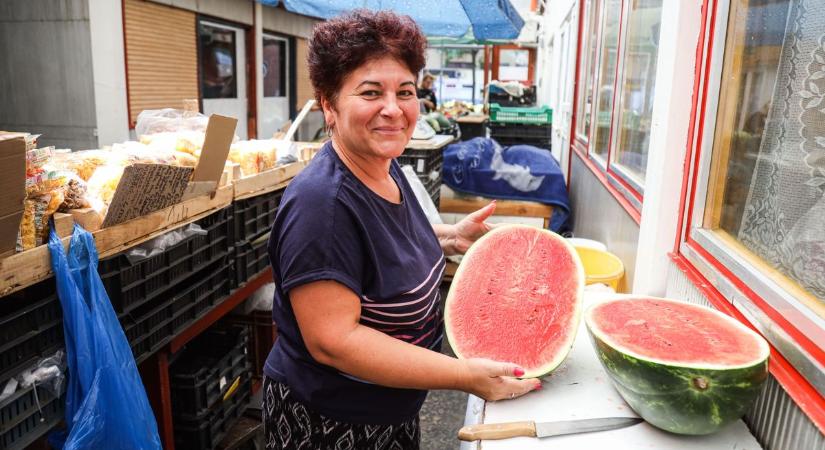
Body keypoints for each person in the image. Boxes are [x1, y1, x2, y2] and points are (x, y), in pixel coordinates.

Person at [263, 10, 540, 449]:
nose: (393, 109)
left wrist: (448, 236)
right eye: (371, 92)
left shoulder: (385, 169)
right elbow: (334, 342)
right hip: (333, 421)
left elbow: (379, 242)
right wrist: (465, 375)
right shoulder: (321, 204)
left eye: (405, 92)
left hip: (390, 407)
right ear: (329, 105)